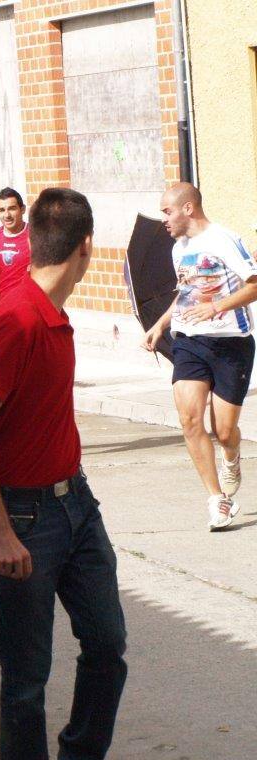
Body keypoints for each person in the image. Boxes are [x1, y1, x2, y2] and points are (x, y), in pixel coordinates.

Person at [0, 187, 126, 760]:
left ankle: (81, 757)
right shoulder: (18, 318)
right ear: (86, 249)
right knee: (27, 679)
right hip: (23, 518)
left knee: (108, 645)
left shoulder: (52, 314)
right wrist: (1, 531)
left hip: (75, 505)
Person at [142, 182, 257, 529]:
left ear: (188, 208)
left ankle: (231, 455)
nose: (164, 219)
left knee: (224, 430)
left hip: (230, 343)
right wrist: (161, 324)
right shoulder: (179, 249)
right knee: (190, 420)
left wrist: (217, 307)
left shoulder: (224, 239)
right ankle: (217, 500)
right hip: (189, 342)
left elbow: (254, 284)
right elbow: (187, 293)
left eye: (167, 211)